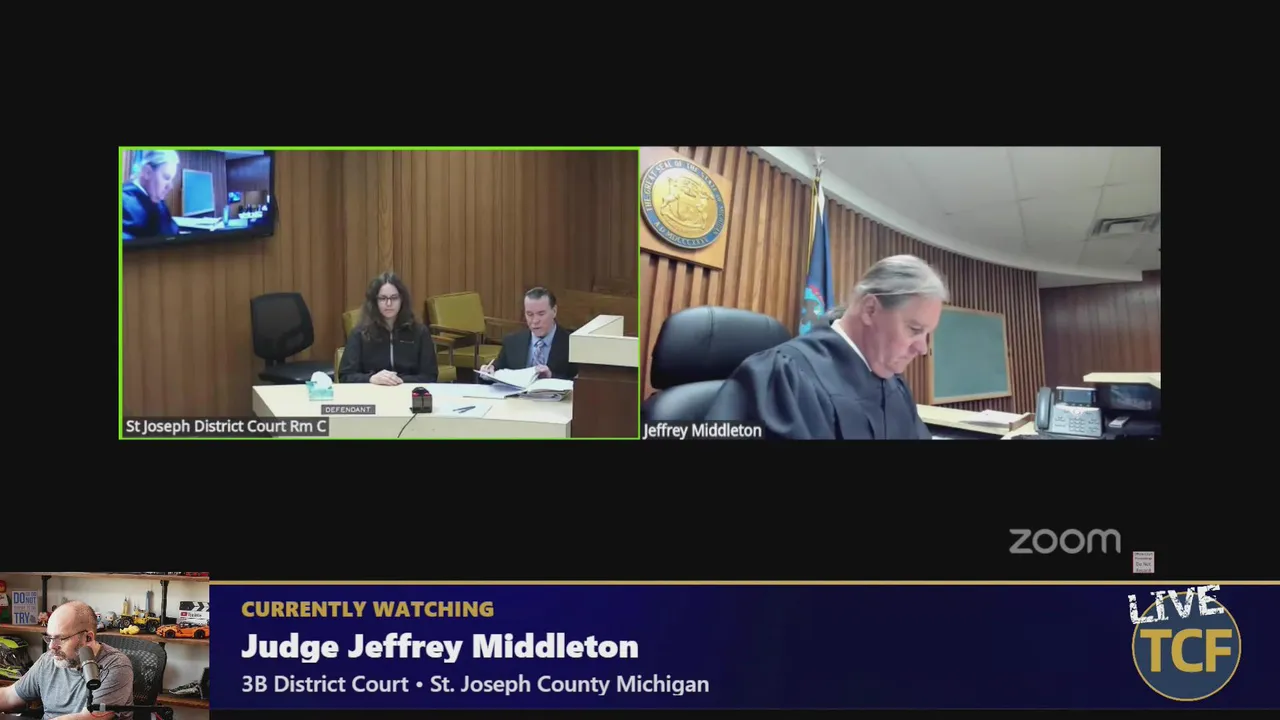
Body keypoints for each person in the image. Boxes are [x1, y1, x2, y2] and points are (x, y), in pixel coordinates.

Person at [706, 254, 947, 439]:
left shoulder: (895, 384)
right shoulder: (785, 376)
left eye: (927, 334)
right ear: (870, 309)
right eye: (915, 329)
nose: (922, 348)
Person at [0, 601, 135, 719]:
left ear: (88, 638)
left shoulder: (116, 665)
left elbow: (89, 718)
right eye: (49, 638)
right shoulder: (48, 660)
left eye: (60, 639)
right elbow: (9, 696)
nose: (51, 646)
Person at [339, 272, 439, 384]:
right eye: (383, 298)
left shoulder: (420, 332)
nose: (389, 303)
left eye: (394, 298)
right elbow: (345, 375)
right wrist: (371, 378)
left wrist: (399, 380)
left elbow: (430, 375)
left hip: (407, 390)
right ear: (374, 301)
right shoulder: (359, 333)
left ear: (402, 300)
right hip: (372, 390)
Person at [480, 287, 577, 380]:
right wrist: (488, 372)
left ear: (554, 311)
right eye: (530, 314)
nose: (535, 321)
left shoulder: (572, 344)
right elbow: (496, 372)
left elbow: (579, 383)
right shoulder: (512, 342)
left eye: (541, 314)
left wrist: (551, 376)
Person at [122, 150, 181, 240]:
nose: (170, 186)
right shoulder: (124, 202)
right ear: (147, 172)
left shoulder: (158, 202)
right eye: (166, 177)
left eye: (171, 180)